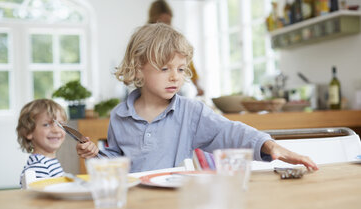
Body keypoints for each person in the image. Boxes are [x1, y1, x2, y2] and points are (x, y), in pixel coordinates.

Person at [76, 23, 318, 173]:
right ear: (139, 69)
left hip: (175, 201)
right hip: (133, 203)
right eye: (164, 68)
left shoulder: (191, 112)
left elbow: (231, 132)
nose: (175, 77)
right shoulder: (120, 115)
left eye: (180, 69)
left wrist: (270, 145)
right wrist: (95, 154)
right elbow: (116, 158)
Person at [147, 0, 204, 96]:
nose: (165, 25)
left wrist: (197, 86)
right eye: (161, 22)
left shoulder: (175, 40)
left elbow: (189, 64)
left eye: (168, 21)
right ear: (153, 20)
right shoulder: (146, 39)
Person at [16, 99, 67, 188]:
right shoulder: (39, 167)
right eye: (46, 124)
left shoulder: (48, 162)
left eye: (60, 124)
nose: (56, 130)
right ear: (29, 132)